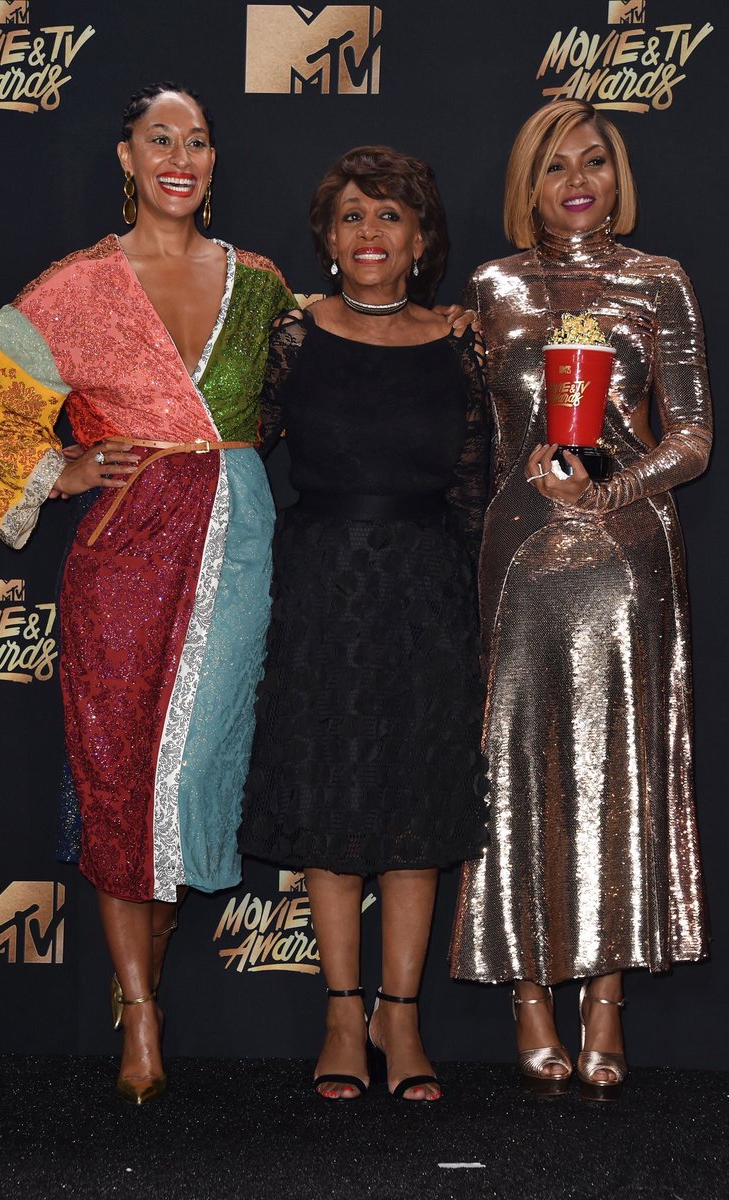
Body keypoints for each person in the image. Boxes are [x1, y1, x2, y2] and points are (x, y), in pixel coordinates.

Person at [0, 82, 294, 1104]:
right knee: (115, 769)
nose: (180, 157)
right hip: (122, 554)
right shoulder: (83, 284)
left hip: (234, 546)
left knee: (192, 777)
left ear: (214, 162)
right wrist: (60, 470)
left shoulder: (260, 284)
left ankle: (149, 969)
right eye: (159, 139)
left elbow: (310, 391)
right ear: (127, 158)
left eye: (198, 141)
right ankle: (139, 1009)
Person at [449, 100, 712, 1100]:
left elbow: (693, 436)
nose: (576, 180)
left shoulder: (659, 279)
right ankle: (528, 994)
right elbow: (469, 437)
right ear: (528, 181)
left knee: (620, 767)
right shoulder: (492, 286)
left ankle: (605, 1000)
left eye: (593, 161)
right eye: (555, 164)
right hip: (515, 555)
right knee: (516, 764)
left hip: (627, 552)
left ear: (617, 174)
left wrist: (611, 490)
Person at [239, 145, 489, 1102]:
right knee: (331, 798)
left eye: (390, 215)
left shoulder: (460, 343)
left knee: (417, 806)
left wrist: (476, 608)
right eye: (351, 215)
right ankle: (343, 1014)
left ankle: (401, 1014)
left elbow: (473, 489)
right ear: (328, 239)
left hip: (427, 587)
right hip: (320, 587)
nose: (370, 232)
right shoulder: (292, 337)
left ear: (421, 240)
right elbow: (234, 452)